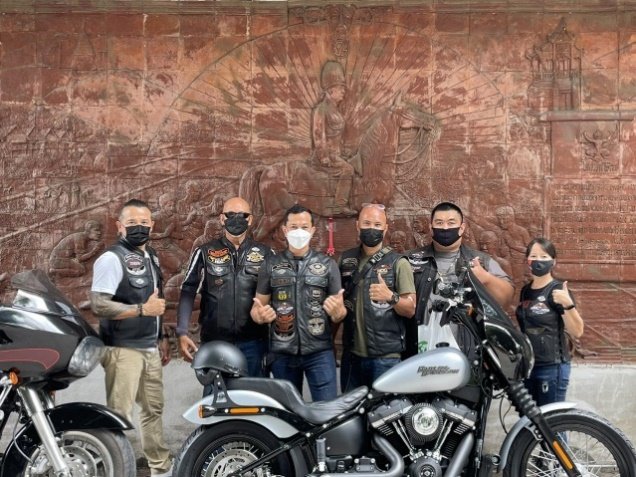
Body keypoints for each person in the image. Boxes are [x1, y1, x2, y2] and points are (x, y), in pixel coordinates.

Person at [90, 199, 172, 477]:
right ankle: (115, 469)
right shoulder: (111, 259)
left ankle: (160, 468)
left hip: (149, 348)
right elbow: (99, 305)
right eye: (132, 223)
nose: (139, 227)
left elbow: (155, 300)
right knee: (119, 415)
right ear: (119, 226)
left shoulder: (152, 256)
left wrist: (161, 336)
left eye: (144, 222)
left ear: (152, 225)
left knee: (153, 410)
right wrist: (141, 310)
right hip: (122, 350)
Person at [251, 204, 346, 401]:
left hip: (319, 352)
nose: (299, 232)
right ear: (285, 230)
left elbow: (340, 313)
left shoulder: (328, 265)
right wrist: (259, 316)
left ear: (312, 230)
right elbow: (257, 307)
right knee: (288, 412)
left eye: (304, 227)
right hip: (282, 352)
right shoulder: (270, 264)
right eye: (294, 227)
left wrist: (338, 312)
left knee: (327, 410)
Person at [176, 197, 272, 381]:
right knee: (215, 395)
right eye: (231, 215)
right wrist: (181, 331)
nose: (237, 219)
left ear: (250, 219)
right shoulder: (204, 252)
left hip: (254, 344)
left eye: (242, 215)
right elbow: (188, 292)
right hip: (215, 343)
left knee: (253, 396)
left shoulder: (266, 253)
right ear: (222, 219)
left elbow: (276, 294)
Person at [405, 202, 515, 360]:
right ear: (431, 227)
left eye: (451, 223)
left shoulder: (480, 261)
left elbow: (506, 298)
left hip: (468, 351)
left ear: (462, 228)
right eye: (439, 223)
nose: (445, 228)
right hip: (420, 349)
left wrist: (486, 279)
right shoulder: (409, 260)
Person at [339, 203, 416, 392]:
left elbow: (410, 309)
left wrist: (391, 297)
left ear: (385, 228)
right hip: (351, 357)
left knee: (385, 409)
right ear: (357, 225)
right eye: (366, 223)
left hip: (386, 358)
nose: (371, 228)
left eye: (377, 224)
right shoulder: (345, 260)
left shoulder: (399, 263)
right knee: (351, 409)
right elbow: (338, 304)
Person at [515, 238, 584, 406]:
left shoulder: (558, 291)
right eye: (534, 256)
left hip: (551, 368)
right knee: (530, 420)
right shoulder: (525, 291)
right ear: (527, 261)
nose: (538, 260)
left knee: (551, 419)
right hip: (528, 367)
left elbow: (577, 331)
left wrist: (568, 304)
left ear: (553, 261)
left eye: (544, 256)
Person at [311, 60, 356, 216]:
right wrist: (323, 156)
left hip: (336, 155)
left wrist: (345, 153)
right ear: (330, 90)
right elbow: (318, 135)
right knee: (348, 170)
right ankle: (339, 206)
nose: (343, 91)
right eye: (340, 88)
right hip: (325, 158)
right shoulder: (321, 109)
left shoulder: (335, 110)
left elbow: (337, 137)